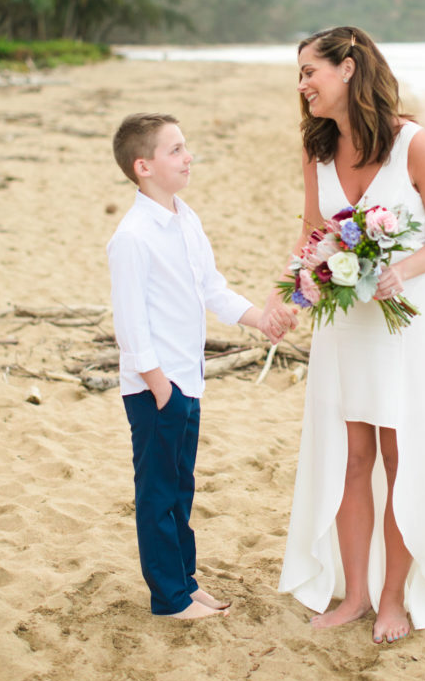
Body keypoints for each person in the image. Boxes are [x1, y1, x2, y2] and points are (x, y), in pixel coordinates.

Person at [270, 26, 425, 643]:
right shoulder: (317, 152)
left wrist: (398, 270)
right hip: (345, 322)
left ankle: (394, 599)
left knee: (399, 454)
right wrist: (288, 293)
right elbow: (312, 236)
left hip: (406, 320)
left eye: (311, 70)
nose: (303, 84)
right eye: (301, 74)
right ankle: (355, 594)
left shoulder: (414, 144)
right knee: (351, 457)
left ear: (350, 67)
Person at [107, 112, 293, 619]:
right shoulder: (132, 237)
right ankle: (169, 599)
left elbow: (211, 288)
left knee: (181, 487)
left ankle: (185, 583)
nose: (188, 157)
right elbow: (130, 326)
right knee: (157, 492)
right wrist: (158, 385)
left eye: (186, 147)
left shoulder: (186, 218)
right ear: (143, 166)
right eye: (176, 150)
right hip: (156, 388)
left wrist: (262, 319)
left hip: (188, 378)